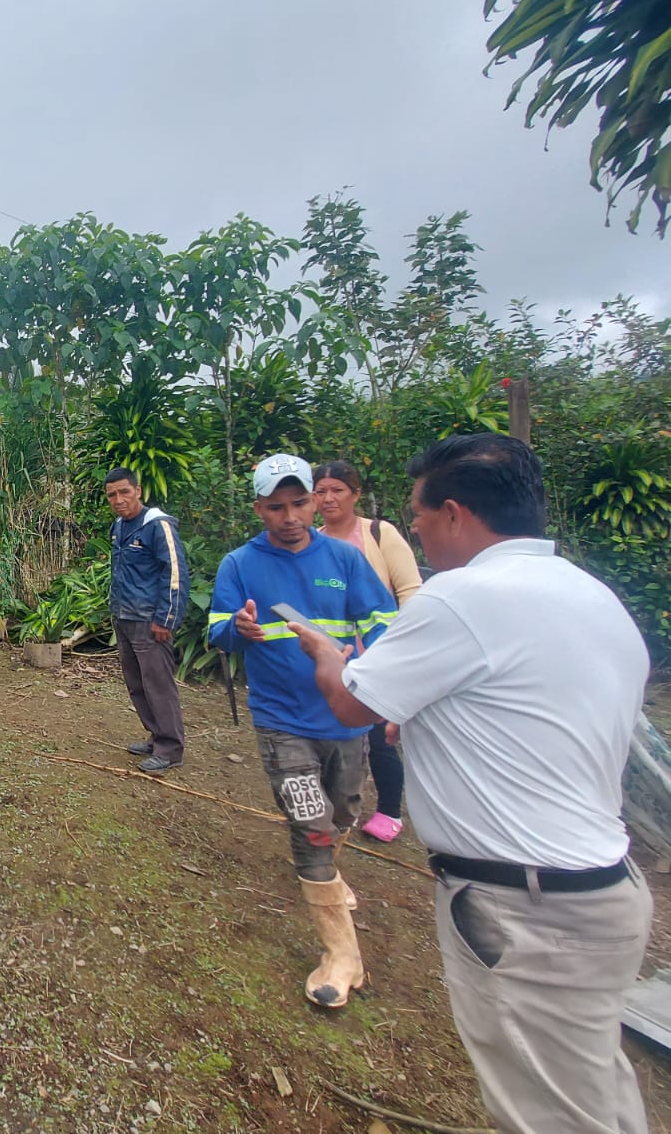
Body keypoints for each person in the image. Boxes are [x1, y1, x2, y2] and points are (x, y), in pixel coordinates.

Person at [295, 434, 652, 1134]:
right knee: (594, 1091)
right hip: (608, 891)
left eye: (420, 516)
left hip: (523, 910)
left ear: (455, 513)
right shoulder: (595, 598)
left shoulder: (461, 597)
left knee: (545, 1113)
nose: (417, 533)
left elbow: (351, 704)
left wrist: (326, 653)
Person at [207, 454, 398, 1008]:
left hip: (345, 716)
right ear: (258, 508)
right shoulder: (240, 564)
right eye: (275, 507)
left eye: (299, 503)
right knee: (310, 825)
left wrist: (383, 683)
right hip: (280, 722)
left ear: (314, 501)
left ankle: (329, 876)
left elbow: (383, 624)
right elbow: (218, 630)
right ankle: (341, 954)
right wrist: (238, 628)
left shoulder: (345, 558)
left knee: (341, 812)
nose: (289, 517)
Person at [311, 460, 423, 844]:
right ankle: (331, 804)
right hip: (333, 656)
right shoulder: (313, 540)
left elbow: (409, 589)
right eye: (321, 491)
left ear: (356, 494)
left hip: (378, 653)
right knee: (334, 732)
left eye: (337, 490)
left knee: (378, 736)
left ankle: (390, 810)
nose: (328, 498)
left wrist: (402, 645)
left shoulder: (379, 533)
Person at [104, 468, 189, 773]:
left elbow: (175, 573)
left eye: (124, 492)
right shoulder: (119, 527)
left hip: (150, 622)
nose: (119, 500)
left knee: (158, 685)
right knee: (137, 683)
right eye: (112, 495)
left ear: (138, 491)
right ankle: (156, 736)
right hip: (125, 616)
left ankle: (171, 748)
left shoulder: (157, 525)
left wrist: (166, 619)